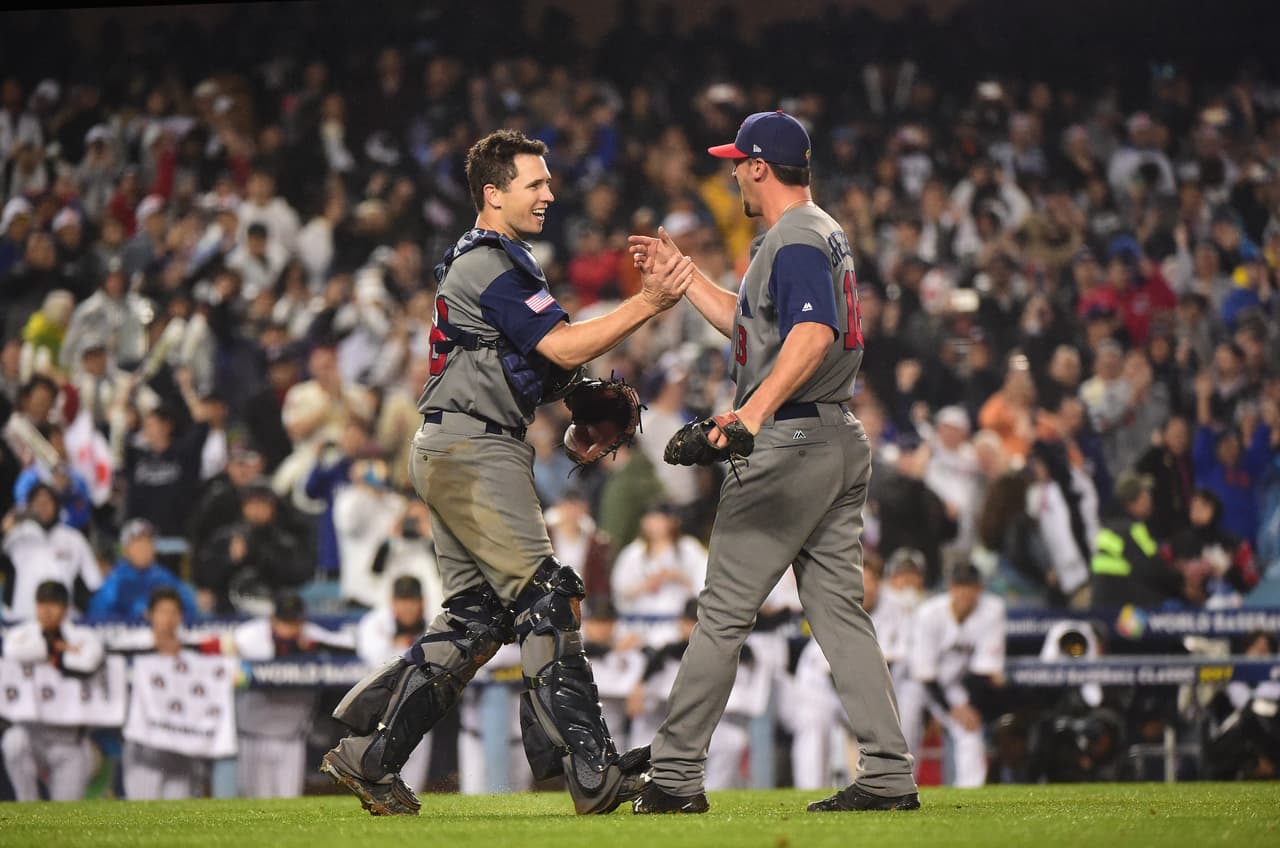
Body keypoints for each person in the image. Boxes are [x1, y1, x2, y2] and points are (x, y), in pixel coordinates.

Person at [320, 128, 695, 817]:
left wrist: (581, 399)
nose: (550, 192)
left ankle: (370, 758)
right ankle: (592, 768)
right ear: (493, 195)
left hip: (458, 443)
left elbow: (532, 362)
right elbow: (556, 341)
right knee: (547, 595)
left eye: (549, 181)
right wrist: (646, 304)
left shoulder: (501, 262)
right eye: (536, 182)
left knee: (477, 618)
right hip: (472, 447)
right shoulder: (490, 262)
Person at [627, 111, 918, 813]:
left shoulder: (791, 237)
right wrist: (686, 277)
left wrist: (750, 416)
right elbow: (761, 324)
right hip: (835, 436)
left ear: (759, 166)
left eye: (737, 162)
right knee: (839, 613)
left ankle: (673, 776)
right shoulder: (818, 231)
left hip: (787, 439)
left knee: (723, 612)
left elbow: (812, 334)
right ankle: (886, 772)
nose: (731, 173)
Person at [1, 580, 105, 801]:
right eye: (42, 603)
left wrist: (54, 655)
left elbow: (88, 662)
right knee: (13, 741)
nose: (47, 610)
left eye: (53, 604)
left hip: (69, 739)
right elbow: (11, 651)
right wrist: (53, 648)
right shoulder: (22, 633)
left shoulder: (83, 636)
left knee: (66, 814)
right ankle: (27, 806)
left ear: (65, 607)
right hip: (32, 732)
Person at [908, 563, 1007, 788]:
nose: (964, 592)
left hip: (952, 685)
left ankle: (970, 794)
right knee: (906, 726)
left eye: (970, 586)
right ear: (950, 588)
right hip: (914, 683)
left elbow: (985, 671)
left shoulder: (992, 610)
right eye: (959, 586)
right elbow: (924, 674)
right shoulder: (929, 614)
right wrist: (951, 709)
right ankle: (899, 789)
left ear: (980, 589)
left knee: (970, 728)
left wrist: (967, 707)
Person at [87, 517, 198, 621]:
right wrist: (137, 617)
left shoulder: (165, 577)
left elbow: (190, 611)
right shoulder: (116, 582)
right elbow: (98, 617)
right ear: (125, 550)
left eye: (148, 542)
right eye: (138, 543)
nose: (144, 548)